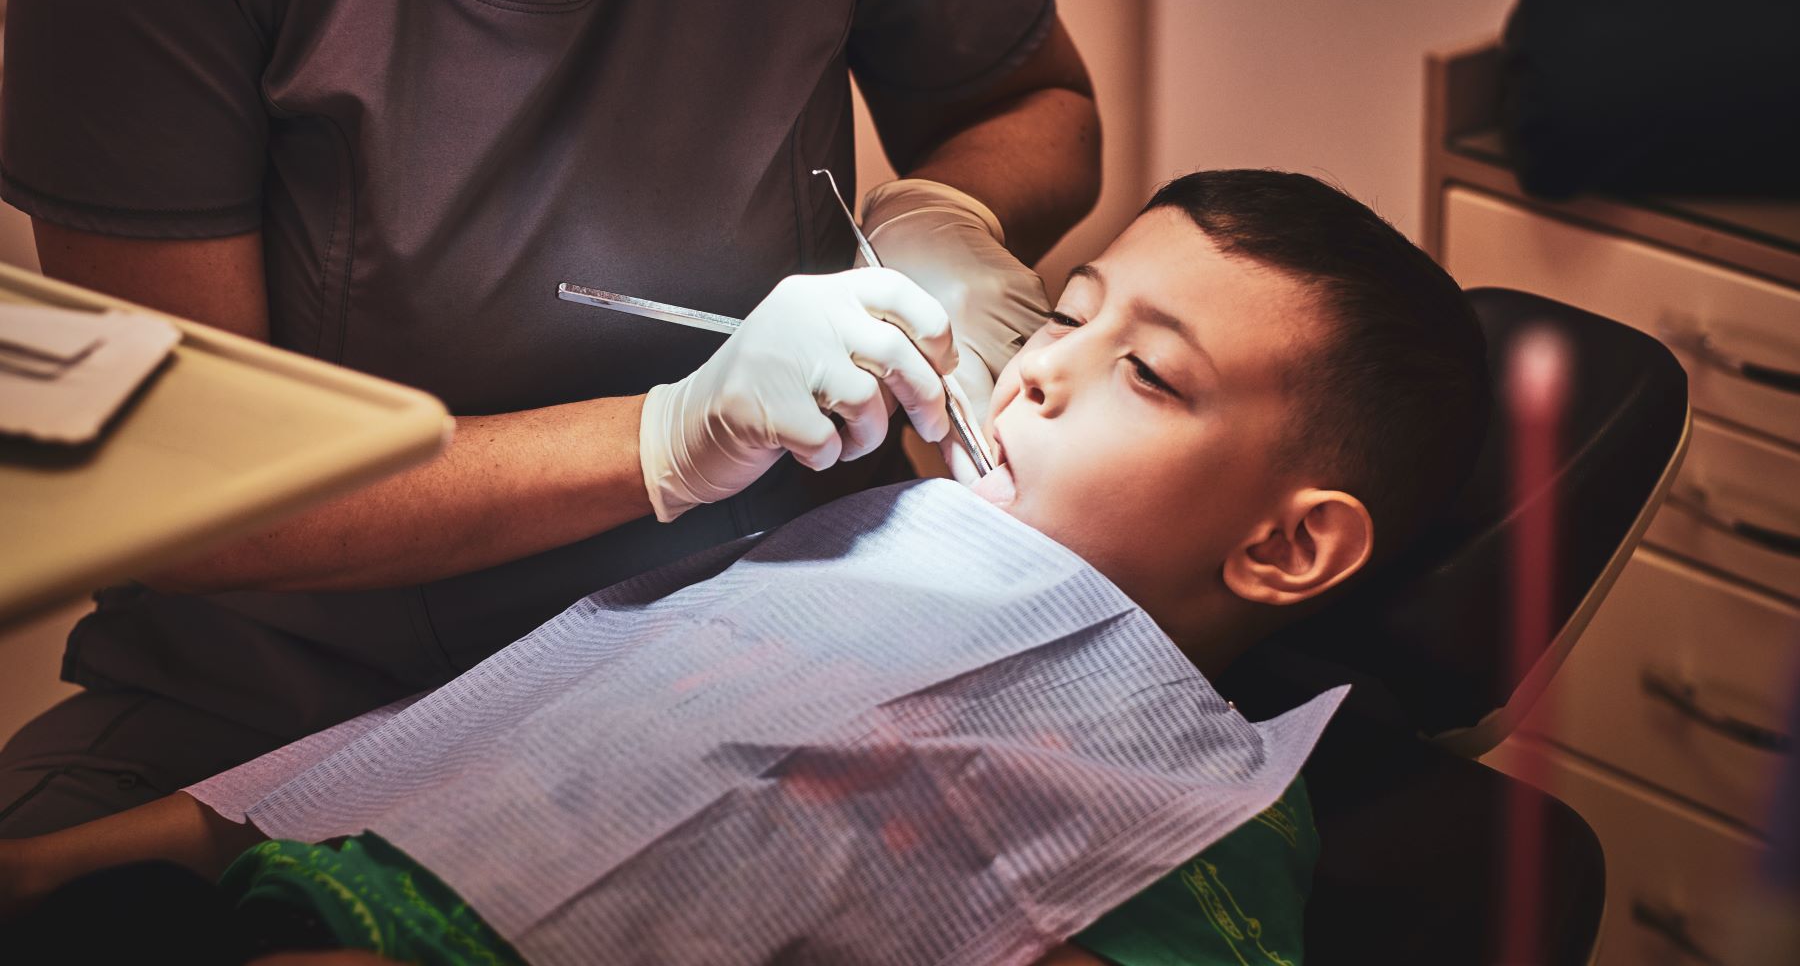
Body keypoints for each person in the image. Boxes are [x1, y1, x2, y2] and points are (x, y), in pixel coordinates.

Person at [0, 170, 1493, 964]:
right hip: (307, 883)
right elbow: (466, 733)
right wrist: (73, 861)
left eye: (1146, 375)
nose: (1036, 372)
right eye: (1066, 314)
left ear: (1291, 544)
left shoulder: (1192, 801)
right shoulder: (853, 539)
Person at [0, 0, 1102, 834]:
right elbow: (189, 489)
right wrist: (666, 436)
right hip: (287, 695)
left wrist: (942, 221)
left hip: (758, 637)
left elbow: (1031, 101)